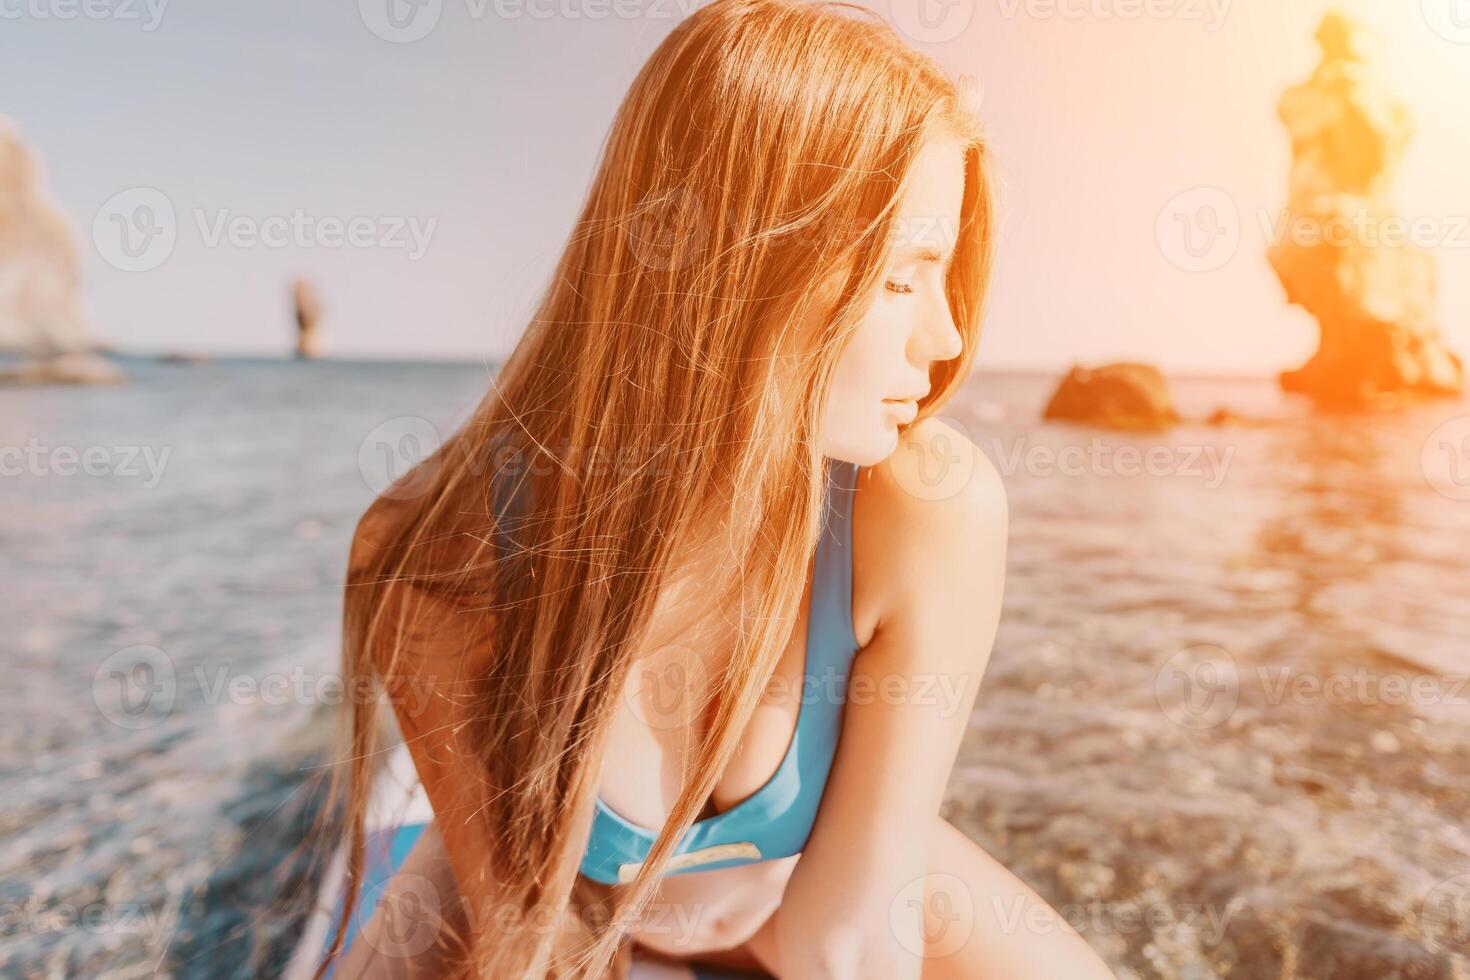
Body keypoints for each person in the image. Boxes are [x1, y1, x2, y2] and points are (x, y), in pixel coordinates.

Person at [308, 1, 1114, 977]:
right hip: (558, 909)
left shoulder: (928, 510)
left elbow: (851, 936)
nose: (945, 342)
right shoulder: (442, 554)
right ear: (749, 266)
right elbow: (533, 936)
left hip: (789, 896)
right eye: (905, 280)